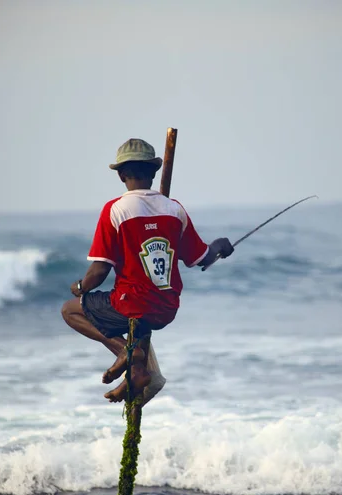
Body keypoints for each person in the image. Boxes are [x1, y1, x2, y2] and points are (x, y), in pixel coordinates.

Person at [61, 138, 233, 405]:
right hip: (166, 308)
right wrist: (220, 245)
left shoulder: (115, 209)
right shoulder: (174, 209)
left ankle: (128, 354)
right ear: (153, 172)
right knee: (137, 315)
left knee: (70, 310)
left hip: (132, 304)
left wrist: (81, 288)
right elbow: (199, 257)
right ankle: (136, 373)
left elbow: (99, 270)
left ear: (121, 175)